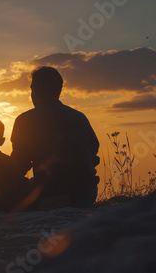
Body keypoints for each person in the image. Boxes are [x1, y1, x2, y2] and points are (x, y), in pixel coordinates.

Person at [11, 66, 100, 208]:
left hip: (47, 194)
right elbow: (94, 150)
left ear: (35, 91)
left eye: (32, 90)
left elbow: (19, 165)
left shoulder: (25, 120)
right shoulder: (79, 117)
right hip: (85, 194)